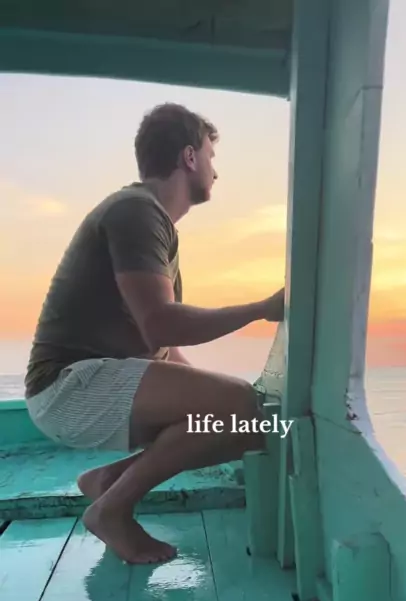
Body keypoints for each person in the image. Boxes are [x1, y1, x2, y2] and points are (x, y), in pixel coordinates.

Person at [24, 103, 284, 564]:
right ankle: (112, 510)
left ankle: (109, 481)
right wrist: (261, 310)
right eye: (210, 156)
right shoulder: (136, 212)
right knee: (242, 405)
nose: (215, 171)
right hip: (68, 387)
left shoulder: (148, 218)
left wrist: (212, 395)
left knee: (248, 423)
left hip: (93, 384)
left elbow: (161, 346)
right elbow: (161, 322)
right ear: (189, 157)